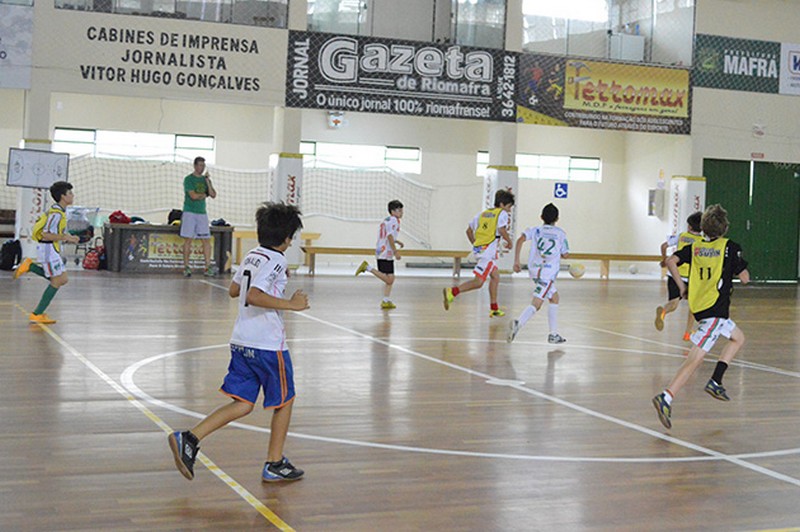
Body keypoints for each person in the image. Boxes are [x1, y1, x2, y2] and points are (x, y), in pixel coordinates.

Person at [169, 202, 309, 482]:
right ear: (287, 239)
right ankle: (275, 462)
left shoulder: (253, 256)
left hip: (242, 341)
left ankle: (190, 438)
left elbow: (235, 290)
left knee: (244, 403)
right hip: (268, 345)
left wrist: (275, 282)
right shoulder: (278, 260)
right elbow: (253, 295)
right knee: (286, 399)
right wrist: (290, 304)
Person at [652, 204, 750, 430]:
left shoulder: (695, 247)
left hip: (703, 308)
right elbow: (744, 278)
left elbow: (670, 261)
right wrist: (741, 270)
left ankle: (716, 380)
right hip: (715, 311)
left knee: (738, 338)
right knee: (695, 358)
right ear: (725, 228)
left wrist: (681, 287)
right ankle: (666, 396)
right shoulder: (730, 248)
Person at [14, 181, 80, 324]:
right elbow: (46, 234)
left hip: (53, 248)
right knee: (58, 281)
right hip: (48, 249)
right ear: (63, 196)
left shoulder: (61, 211)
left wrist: (68, 236)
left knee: (62, 279)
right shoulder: (56, 214)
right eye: (70, 193)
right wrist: (66, 237)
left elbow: (57, 232)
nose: (72, 195)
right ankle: (37, 314)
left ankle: (29, 266)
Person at [443, 189, 515, 317]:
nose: (509, 210)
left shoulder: (482, 214)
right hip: (488, 253)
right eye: (509, 207)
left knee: (495, 277)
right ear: (503, 205)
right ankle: (453, 292)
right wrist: (509, 241)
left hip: (481, 250)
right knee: (478, 282)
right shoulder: (502, 214)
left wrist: (476, 244)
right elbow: (501, 229)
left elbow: (469, 231)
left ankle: (494, 308)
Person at [507, 203, 569, 344]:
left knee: (554, 297)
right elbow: (565, 254)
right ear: (557, 218)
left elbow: (520, 240)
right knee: (537, 303)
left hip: (534, 270)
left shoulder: (535, 230)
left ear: (541, 217)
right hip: (547, 273)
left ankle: (553, 334)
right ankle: (519, 323)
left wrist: (516, 261)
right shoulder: (560, 233)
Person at [655, 212, 703, 341]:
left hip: (674, 273)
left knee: (674, 303)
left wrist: (664, 259)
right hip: (691, 277)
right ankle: (687, 333)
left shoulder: (682, 236)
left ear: (689, 227)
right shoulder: (702, 242)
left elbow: (664, 246)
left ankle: (664, 312)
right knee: (692, 306)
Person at [355, 199, 404, 310]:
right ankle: (367, 267)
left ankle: (385, 300)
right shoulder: (393, 221)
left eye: (402, 210)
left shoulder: (387, 220)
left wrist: (397, 241)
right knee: (390, 279)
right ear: (392, 211)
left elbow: (387, 236)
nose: (401, 212)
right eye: (399, 210)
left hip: (382, 250)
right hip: (386, 252)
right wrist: (395, 251)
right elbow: (390, 236)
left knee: (390, 278)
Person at [181, 156, 217, 277]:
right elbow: (193, 196)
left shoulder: (205, 180)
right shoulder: (188, 179)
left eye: (203, 166)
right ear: (195, 166)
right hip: (190, 212)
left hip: (202, 213)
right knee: (188, 240)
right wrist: (204, 194)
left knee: (206, 240)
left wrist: (207, 181)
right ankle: (186, 267)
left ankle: (207, 267)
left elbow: (213, 194)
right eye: (199, 165)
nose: (201, 168)